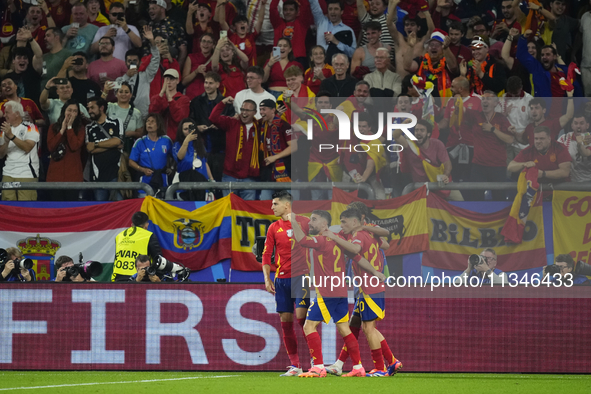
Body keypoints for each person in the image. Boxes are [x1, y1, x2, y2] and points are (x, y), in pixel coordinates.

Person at [289, 209, 368, 378]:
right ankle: (358, 367)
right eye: (310, 219)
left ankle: (318, 367)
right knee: (344, 329)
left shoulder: (322, 240)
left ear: (324, 224)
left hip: (327, 292)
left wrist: (293, 220)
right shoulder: (338, 240)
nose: (310, 223)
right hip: (340, 291)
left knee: (309, 326)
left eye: (314, 220)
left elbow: (302, 240)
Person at [322, 209, 397, 377]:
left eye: (344, 222)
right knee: (356, 325)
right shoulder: (370, 233)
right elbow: (384, 243)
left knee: (369, 328)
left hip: (368, 287)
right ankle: (342, 364)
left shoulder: (358, 236)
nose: (341, 226)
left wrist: (336, 238)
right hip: (368, 287)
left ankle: (380, 367)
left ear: (356, 221)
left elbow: (356, 250)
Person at [262, 191, 311, 376]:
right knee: (286, 322)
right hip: (281, 279)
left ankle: (317, 362)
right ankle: (296, 365)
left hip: (302, 277)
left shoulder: (305, 222)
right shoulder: (273, 227)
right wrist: (267, 278)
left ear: (286, 205)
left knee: (302, 319)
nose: (272, 207)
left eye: (275, 204)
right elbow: (266, 255)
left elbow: (320, 242)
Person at [463, 92, 515, 201]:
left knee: (499, 198)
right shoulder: (476, 115)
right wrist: (457, 98)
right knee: (476, 198)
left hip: (498, 166)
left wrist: (493, 129)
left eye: (488, 99)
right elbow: (461, 109)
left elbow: (510, 139)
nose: (485, 101)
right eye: (483, 99)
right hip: (478, 165)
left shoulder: (501, 119)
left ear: (496, 103)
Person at [209, 96, 260, 200]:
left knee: (247, 212)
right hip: (229, 176)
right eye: (242, 109)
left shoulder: (260, 127)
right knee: (229, 210)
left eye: (247, 110)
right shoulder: (232, 123)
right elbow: (213, 118)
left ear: (255, 112)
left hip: (249, 178)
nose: (244, 113)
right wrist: (222, 102)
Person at [508, 126, 572, 198]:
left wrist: (543, 174)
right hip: (538, 195)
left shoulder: (559, 148)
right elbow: (510, 167)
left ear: (549, 139)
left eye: (542, 139)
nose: (538, 141)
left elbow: (565, 172)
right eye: (536, 138)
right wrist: (524, 164)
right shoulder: (529, 151)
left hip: (559, 194)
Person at [114, 26, 160, 120]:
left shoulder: (146, 76)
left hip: (142, 116)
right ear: (125, 62)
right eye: (129, 61)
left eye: (135, 60)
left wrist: (152, 42)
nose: (132, 63)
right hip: (124, 116)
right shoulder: (120, 79)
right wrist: (127, 76)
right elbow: (115, 89)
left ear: (140, 62)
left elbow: (155, 60)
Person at [46, 99, 86, 201]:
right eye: (69, 110)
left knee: (71, 208)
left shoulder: (81, 129)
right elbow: (51, 147)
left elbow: (74, 146)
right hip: (55, 176)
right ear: (64, 111)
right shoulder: (53, 127)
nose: (72, 113)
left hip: (73, 176)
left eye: (75, 111)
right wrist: (62, 130)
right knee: (55, 208)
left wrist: (69, 128)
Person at [85, 96, 123, 201]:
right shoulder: (89, 128)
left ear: (101, 108)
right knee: (101, 208)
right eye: (88, 108)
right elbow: (90, 149)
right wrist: (112, 146)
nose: (90, 111)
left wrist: (96, 144)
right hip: (97, 176)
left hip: (115, 173)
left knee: (119, 206)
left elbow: (117, 141)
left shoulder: (116, 122)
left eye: (92, 108)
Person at [0, 101, 39, 201]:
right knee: (8, 208)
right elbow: (1, 155)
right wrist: (7, 141)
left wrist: (12, 136)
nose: (4, 115)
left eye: (7, 112)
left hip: (26, 173)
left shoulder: (31, 127)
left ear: (17, 113)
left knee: (26, 208)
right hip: (8, 173)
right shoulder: (5, 131)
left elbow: (27, 147)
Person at [128, 113, 173, 197]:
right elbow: (131, 161)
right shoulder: (140, 141)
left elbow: (175, 156)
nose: (149, 123)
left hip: (162, 179)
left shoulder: (166, 140)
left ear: (158, 125)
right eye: (148, 121)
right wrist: (142, 169)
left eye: (152, 121)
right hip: (145, 180)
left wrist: (172, 167)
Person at [404, 29, 458, 97]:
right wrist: (410, 47)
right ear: (427, 48)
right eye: (431, 44)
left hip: (445, 105)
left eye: (437, 45)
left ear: (443, 48)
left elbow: (453, 67)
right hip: (423, 103)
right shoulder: (421, 61)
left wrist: (446, 48)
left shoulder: (446, 62)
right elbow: (407, 66)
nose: (433, 47)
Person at [112, 211, 162, 282]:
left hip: (119, 276)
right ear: (146, 225)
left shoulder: (119, 236)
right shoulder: (149, 235)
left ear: (132, 224)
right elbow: (158, 259)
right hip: (139, 276)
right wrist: (159, 278)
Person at [259, 99, 293, 200]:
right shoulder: (261, 125)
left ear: (273, 110)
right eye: (260, 109)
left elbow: (294, 146)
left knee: (287, 204)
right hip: (267, 172)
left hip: (285, 172)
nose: (261, 112)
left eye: (264, 109)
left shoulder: (284, 125)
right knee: (264, 203)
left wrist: (275, 157)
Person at [172, 118, 213, 201]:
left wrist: (212, 179)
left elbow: (204, 162)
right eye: (185, 129)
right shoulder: (177, 145)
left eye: (190, 128)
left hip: (203, 185)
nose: (188, 131)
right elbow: (180, 157)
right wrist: (186, 141)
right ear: (181, 131)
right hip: (185, 188)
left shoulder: (200, 144)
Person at [148, 68, 190, 142]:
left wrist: (170, 99)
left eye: (171, 79)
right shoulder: (157, 98)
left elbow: (180, 118)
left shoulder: (184, 99)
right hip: (159, 139)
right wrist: (161, 94)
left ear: (177, 81)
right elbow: (152, 114)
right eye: (166, 79)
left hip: (176, 139)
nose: (168, 82)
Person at [4, 28, 43, 105]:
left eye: (25, 58)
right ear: (13, 61)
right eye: (19, 58)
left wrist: (31, 39)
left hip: (32, 112)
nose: (22, 60)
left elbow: (39, 55)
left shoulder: (33, 73)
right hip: (13, 112)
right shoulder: (7, 78)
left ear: (28, 61)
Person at [144, 0, 187, 68]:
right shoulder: (147, 27)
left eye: (154, 8)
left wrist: (176, 69)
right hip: (150, 68)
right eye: (149, 9)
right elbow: (143, 49)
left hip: (169, 66)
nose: (150, 11)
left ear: (162, 9)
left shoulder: (175, 26)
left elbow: (183, 50)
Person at [104, 81, 144, 154]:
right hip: (110, 146)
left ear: (131, 95)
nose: (123, 94)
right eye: (121, 91)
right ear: (116, 94)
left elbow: (140, 134)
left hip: (129, 147)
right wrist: (105, 92)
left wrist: (132, 133)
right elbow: (98, 107)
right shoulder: (110, 106)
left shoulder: (136, 112)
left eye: (126, 92)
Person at [269, 0, 312, 66]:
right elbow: (272, 8)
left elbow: (305, 5)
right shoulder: (278, 23)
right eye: (285, 9)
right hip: (278, 57)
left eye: (291, 10)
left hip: (298, 58)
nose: (288, 12)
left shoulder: (302, 23)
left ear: (297, 12)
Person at [558, 113, 591, 182]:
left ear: (587, 125)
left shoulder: (589, 138)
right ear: (572, 126)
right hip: (572, 181)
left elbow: (586, 153)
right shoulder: (563, 139)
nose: (578, 126)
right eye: (575, 123)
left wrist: (579, 143)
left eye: (581, 123)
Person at [182, 33, 215, 100]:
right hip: (192, 95)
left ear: (213, 45)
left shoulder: (215, 59)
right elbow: (184, 82)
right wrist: (196, 71)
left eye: (209, 42)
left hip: (209, 97)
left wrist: (205, 74)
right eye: (203, 41)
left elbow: (217, 81)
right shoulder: (191, 57)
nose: (206, 44)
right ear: (199, 44)